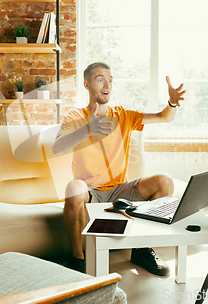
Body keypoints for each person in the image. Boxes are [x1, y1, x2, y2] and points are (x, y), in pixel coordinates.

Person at [52, 62, 185, 275]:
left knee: (165, 182)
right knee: (73, 187)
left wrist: (172, 103)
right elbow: (57, 148)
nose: (107, 84)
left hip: (120, 191)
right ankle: (78, 259)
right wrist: (87, 129)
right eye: (100, 79)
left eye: (110, 79)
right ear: (86, 84)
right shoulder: (76, 117)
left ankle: (141, 250)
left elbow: (164, 117)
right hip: (90, 192)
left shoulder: (122, 115)